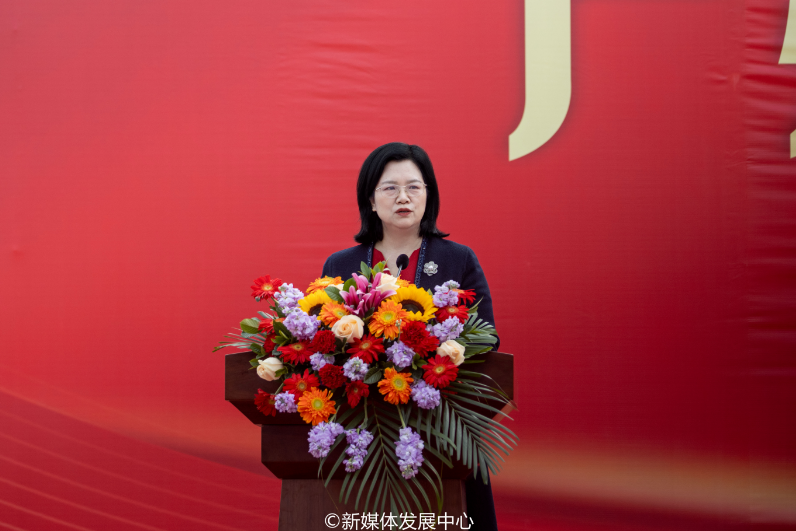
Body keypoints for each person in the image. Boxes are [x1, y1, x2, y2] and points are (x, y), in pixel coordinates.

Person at [322, 142, 500, 530]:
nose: (403, 197)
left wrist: (436, 350)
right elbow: (325, 342)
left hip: (444, 426)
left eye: (414, 187)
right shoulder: (341, 265)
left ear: (427, 195)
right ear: (371, 200)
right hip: (366, 429)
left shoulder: (458, 259)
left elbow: (487, 338)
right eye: (390, 188)